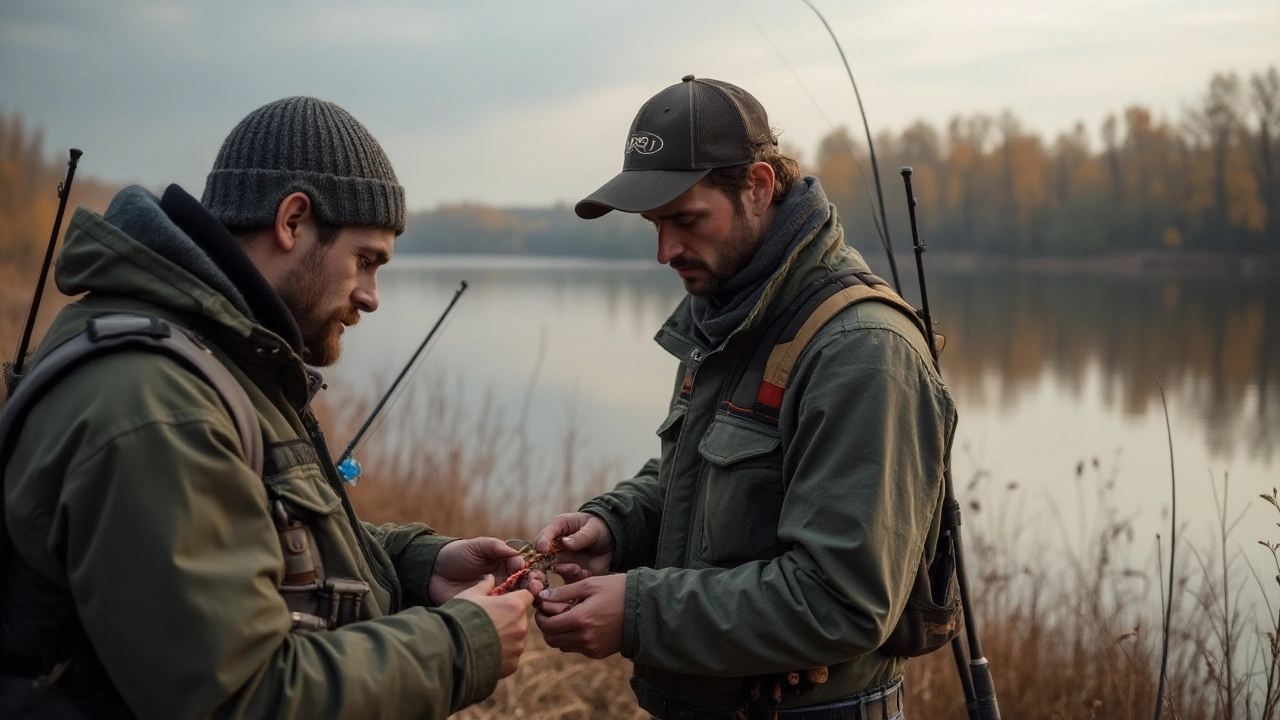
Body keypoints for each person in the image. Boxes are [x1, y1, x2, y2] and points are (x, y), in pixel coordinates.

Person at [0, 96, 536, 719]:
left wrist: (419, 567)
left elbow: (254, 547)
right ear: (292, 220)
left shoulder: (216, 355)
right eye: (364, 261)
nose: (371, 297)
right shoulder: (155, 403)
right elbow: (243, 696)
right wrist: (461, 645)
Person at [532, 76, 957, 718]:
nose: (665, 251)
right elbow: (706, 477)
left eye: (687, 220)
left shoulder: (862, 349)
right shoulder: (731, 313)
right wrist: (615, 527)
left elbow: (842, 600)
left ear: (758, 187)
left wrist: (640, 612)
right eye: (654, 224)